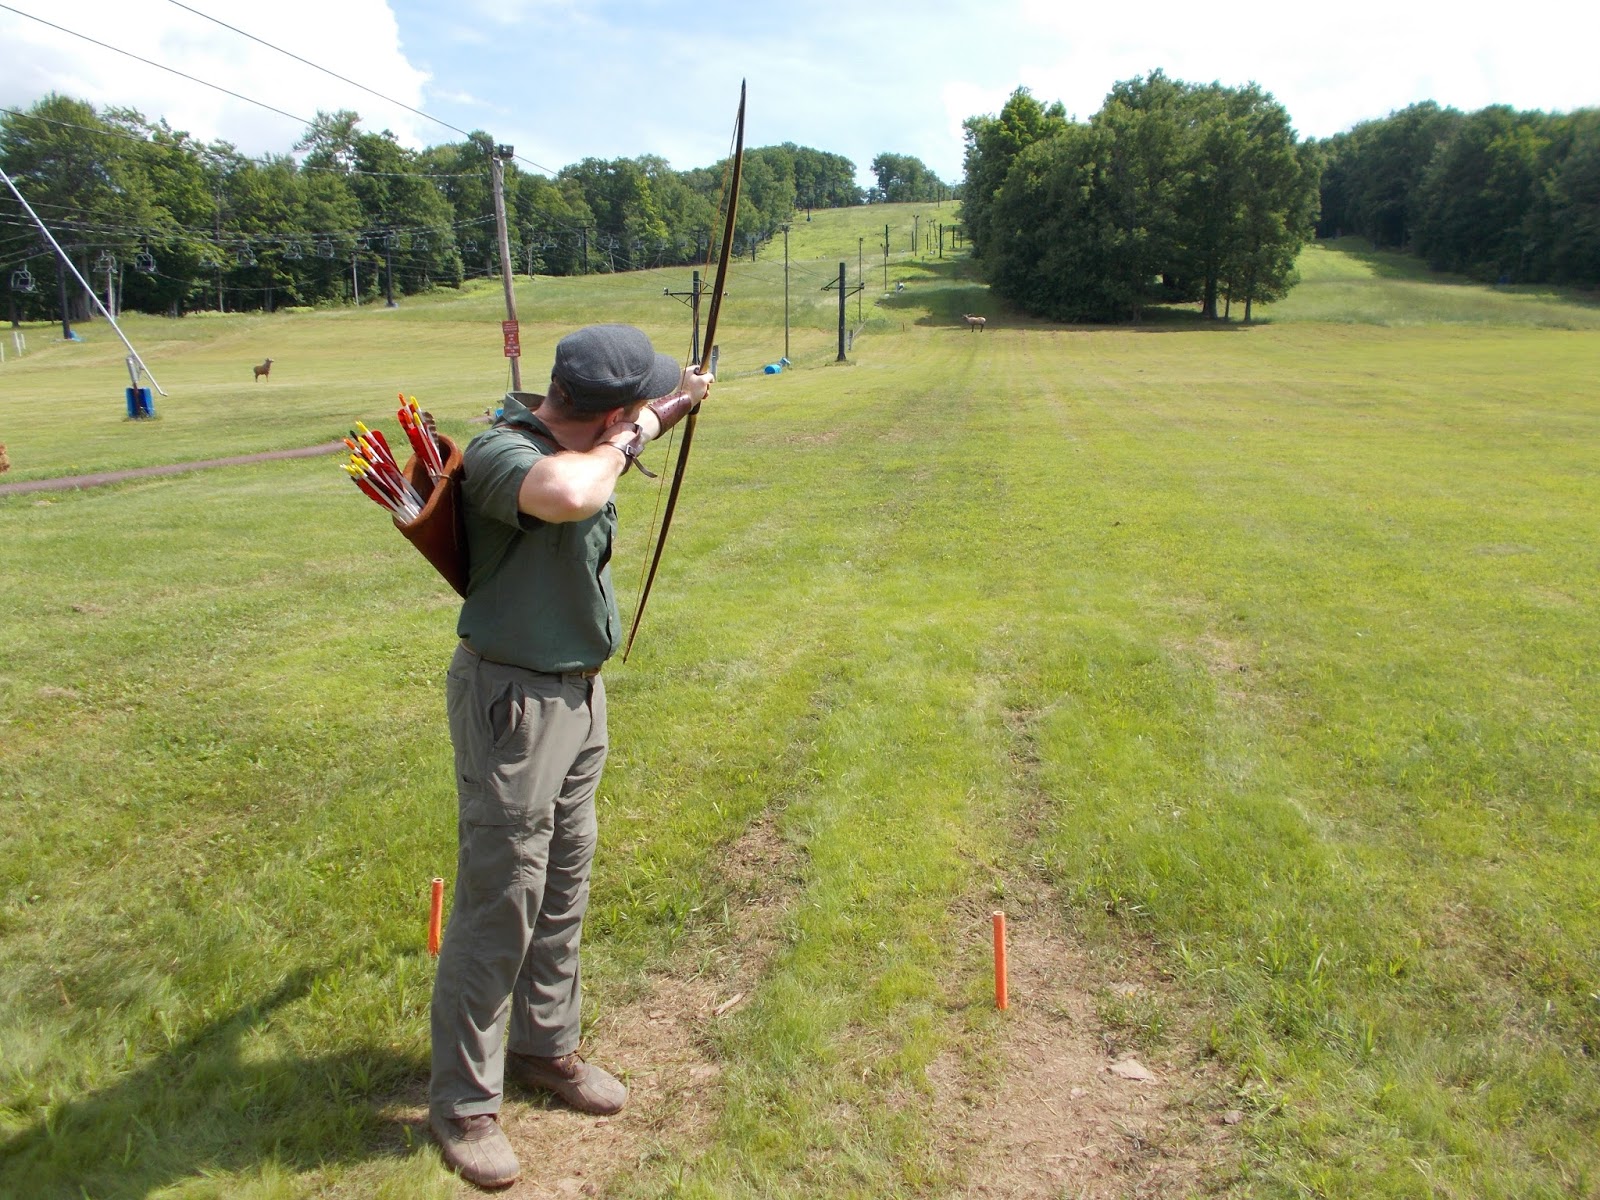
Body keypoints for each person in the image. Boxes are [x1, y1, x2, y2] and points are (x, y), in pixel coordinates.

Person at [428, 324, 711, 1189]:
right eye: (635, 406)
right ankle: (464, 1104)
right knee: (500, 901)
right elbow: (568, 493)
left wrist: (672, 403)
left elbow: (597, 467)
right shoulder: (505, 451)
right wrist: (643, 430)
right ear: (610, 413)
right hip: (513, 702)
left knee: (561, 884)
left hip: (579, 697)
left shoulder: (592, 441)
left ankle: (544, 1048)